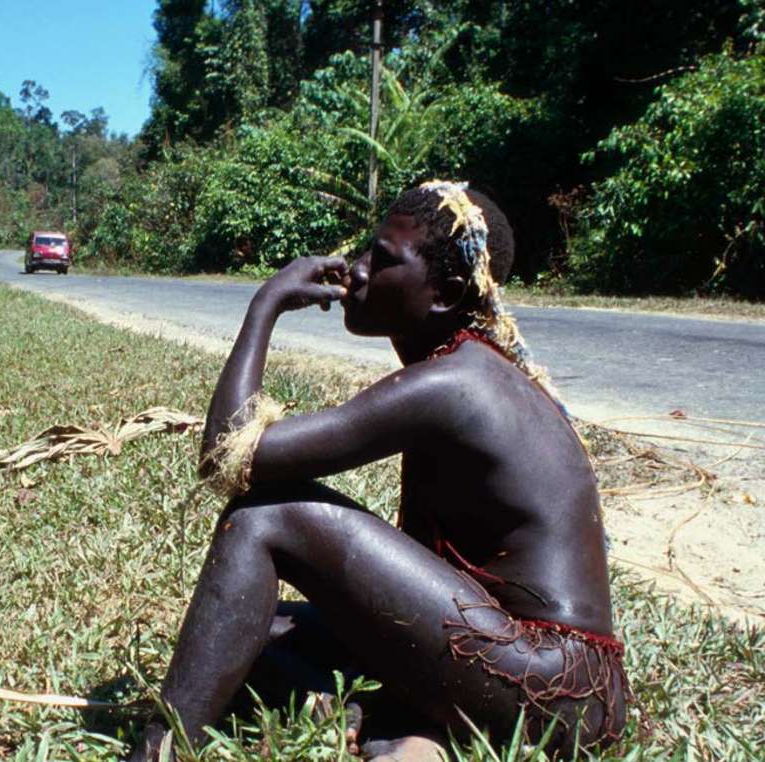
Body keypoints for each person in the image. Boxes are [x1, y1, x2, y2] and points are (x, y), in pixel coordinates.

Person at [130, 182, 628, 760]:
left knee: (265, 516)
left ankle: (157, 752)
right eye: (367, 251)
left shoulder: (451, 383)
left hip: (551, 683)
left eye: (384, 259)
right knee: (246, 625)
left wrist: (264, 307)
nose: (358, 271)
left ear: (442, 293)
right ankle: (400, 725)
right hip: (545, 679)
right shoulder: (464, 365)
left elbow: (229, 456)